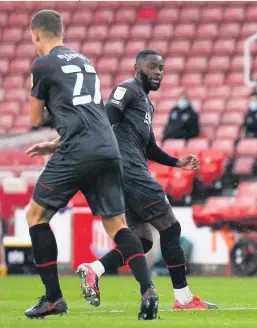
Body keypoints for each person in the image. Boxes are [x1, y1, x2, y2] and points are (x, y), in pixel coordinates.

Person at [23, 10, 158, 319]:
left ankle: (54, 298)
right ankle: (147, 290)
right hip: (107, 148)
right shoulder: (85, 61)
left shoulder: (42, 64)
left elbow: (34, 119)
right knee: (118, 226)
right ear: (62, 31)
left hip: (76, 148)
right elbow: (88, 110)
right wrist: (57, 137)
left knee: (36, 215)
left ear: (35, 35)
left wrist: (54, 122)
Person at [75, 50, 217, 311]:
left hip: (127, 173)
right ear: (136, 67)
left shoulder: (146, 104)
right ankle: (184, 299)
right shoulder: (126, 89)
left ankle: (94, 269)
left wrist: (177, 162)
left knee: (142, 241)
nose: (157, 72)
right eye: (151, 66)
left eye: (161, 68)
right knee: (171, 229)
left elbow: (149, 146)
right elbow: (108, 115)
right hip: (129, 171)